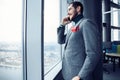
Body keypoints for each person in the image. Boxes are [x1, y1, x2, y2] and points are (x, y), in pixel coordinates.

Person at [57, 1, 103, 80]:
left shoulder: (86, 23)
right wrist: (62, 25)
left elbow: (93, 53)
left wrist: (80, 76)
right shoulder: (72, 27)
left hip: (79, 75)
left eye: (70, 9)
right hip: (69, 73)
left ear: (78, 9)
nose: (68, 13)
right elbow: (60, 40)